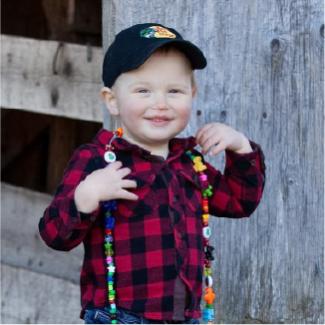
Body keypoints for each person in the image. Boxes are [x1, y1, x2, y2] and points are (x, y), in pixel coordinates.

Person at [39, 23, 266, 324]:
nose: (160, 103)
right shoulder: (98, 160)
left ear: (192, 93)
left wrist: (240, 147)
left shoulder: (191, 162)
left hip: (185, 316)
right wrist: (86, 196)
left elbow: (240, 201)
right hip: (118, 316)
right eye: (143, 91)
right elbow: (54, 235)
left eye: (174, 91)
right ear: (112, 100)